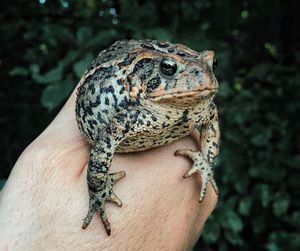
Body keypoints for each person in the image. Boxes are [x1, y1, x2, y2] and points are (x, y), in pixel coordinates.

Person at [0, 87, 218, 250]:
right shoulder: (134, 111)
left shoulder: (201, 106)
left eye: (212, 65)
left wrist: (204, 161)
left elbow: (210, 120)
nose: (202, 74)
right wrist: (98, 189)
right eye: (169, 69)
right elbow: (104, 145)